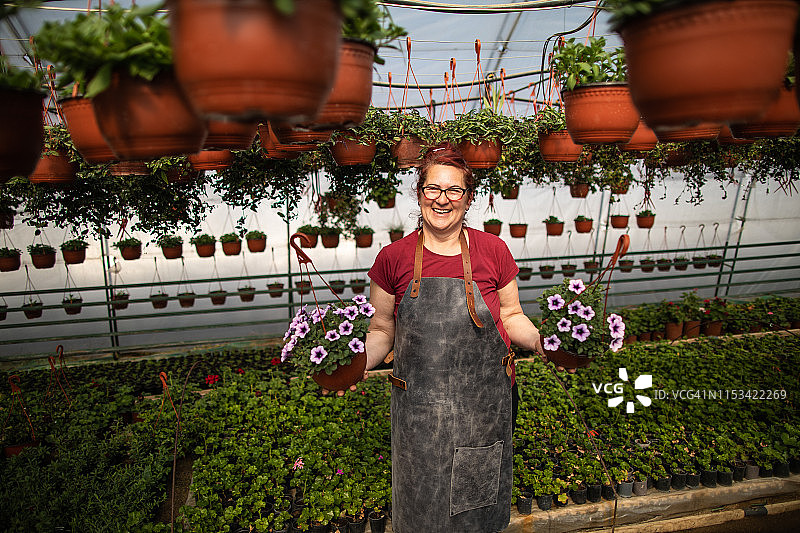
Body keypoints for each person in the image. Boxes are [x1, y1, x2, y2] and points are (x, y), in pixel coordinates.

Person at [331, 143, 572, 532]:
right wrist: (357, 364)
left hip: (484, 406)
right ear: (419, 193)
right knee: (422, 502)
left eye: (454, 190)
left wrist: (543, 343)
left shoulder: (493, 250)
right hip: (420, 411)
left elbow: (511, 315)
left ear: (468, 197)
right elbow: (381, 329)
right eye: (433, 189)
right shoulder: (393, 258)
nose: (442, 200)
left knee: (476, 506)